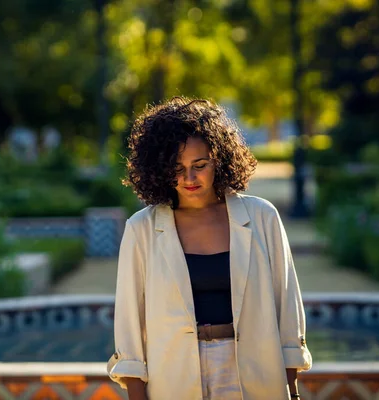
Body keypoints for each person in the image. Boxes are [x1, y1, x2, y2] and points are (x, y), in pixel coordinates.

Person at [106, 97, 312, 400]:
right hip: (173, 374)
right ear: (160, 168)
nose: (189, 178)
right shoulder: (142, 229)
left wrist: (290, 387)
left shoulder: (261, 217)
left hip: (254, 371)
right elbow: (129, 321)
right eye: (177, 168)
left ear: (220, 159)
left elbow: (287, 305)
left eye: (199, 165)